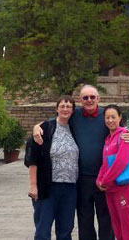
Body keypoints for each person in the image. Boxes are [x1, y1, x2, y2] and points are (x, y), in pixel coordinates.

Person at [33, 85, 129, 240]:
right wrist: (37, 127)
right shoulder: (75, 115)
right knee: (84, 218)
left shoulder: (106, 115)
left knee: (106, 218)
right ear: (80, 100)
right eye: (85, 98)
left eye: (92, 97)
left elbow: (120, 129)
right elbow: (58, 118)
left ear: (98, 99)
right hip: (82, 178)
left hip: (105, 178)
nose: (89, 100)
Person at [25, 95, 79, 240]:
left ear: (73, 110)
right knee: (43, 229)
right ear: (56, 109)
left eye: (69, 107)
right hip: (48, 187)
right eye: (62, 106)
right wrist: (33, 186)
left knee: (66, 230)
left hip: (70, 188)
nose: (65, 109)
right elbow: (32, 160)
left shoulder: (75, 130)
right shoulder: (45, 129)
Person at [96, 105, 129, 240]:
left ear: (120, 118)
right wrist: (99, 180)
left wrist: (105, 180)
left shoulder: (124, 135)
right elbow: (105, 163)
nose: (110, 120)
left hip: (122, 189)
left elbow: (121, 161)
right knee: (117, 228)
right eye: (107, 117)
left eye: (113, 117)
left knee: (128, 229)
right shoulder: (108, 138)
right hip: (110, 191)